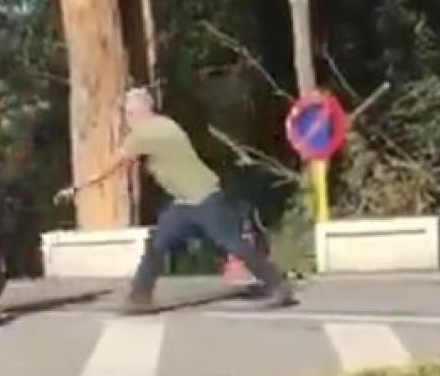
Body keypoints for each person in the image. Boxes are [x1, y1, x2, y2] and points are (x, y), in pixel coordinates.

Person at [57, 87, 295, 313]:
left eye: (128, 114)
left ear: (137, 113)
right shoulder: (167, 124)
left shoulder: (144, 134)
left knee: (231, 243)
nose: (127, 120)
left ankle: (278, 286)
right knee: (158, 242)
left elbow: (112, 165)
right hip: (185, 200)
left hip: (203, 197)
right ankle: (139, 297)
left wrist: (79, 187)